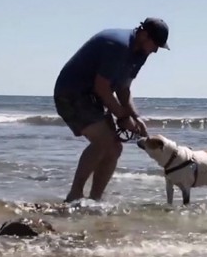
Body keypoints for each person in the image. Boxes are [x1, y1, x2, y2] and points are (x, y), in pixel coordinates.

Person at [53, 17, 170, 202]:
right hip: (71, 93)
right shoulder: (118, 45)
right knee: (103, 141)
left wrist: (135, 116)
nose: (155, 50)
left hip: (94, 96)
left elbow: (123, 89)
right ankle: (74, 195)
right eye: (155, 44)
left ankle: (95, 200)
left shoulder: (141, 53)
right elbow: (102, 87)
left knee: (114, 148)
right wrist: (123, 116)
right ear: (144, 34)